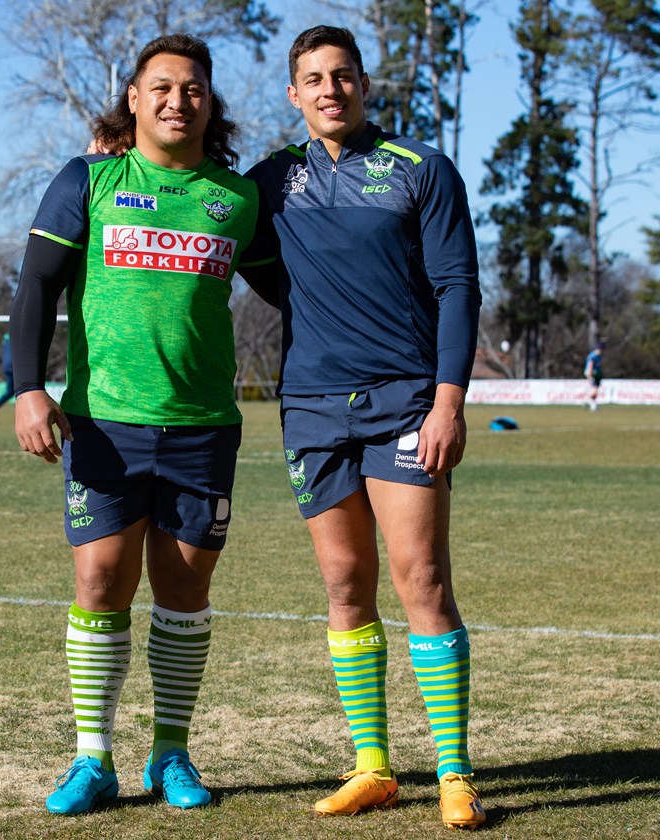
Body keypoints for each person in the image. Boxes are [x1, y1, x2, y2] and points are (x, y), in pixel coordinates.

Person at [9, 33, 264, 816]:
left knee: (184, 590)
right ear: (134, 98)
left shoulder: (238, 198)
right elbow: (36, 284)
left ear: (210, 103)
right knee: (99, 583)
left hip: (202, 426)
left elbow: (302, 286)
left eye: (192, 89)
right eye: (161, 87)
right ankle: (93, 760)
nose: (176, 101)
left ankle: (170, 753)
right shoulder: (88, 179)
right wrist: (28, 389)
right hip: (105, 424)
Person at [238, 25, 486, 829]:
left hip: (405, 401)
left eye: (342, 75)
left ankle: (453, 772)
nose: (329, 89)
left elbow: (458, 287)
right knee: (345, 583)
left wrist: (447, 402)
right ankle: (372, 768)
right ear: (293, 94)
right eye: (313, 78)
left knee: (423, 580)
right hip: (311, 407)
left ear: (365, 84)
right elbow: (218, 227)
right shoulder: (270, 180)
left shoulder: (421, 168)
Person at [584, 342, 605, 411]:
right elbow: (590, 365)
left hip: (597, 374)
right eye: (600, 349)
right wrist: (589, 376)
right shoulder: (593, 356)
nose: (601, 351)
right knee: (595, 389)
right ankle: (586, 400)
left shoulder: (599, 356)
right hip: (592, 374)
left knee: (596, 390)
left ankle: (593, 406)